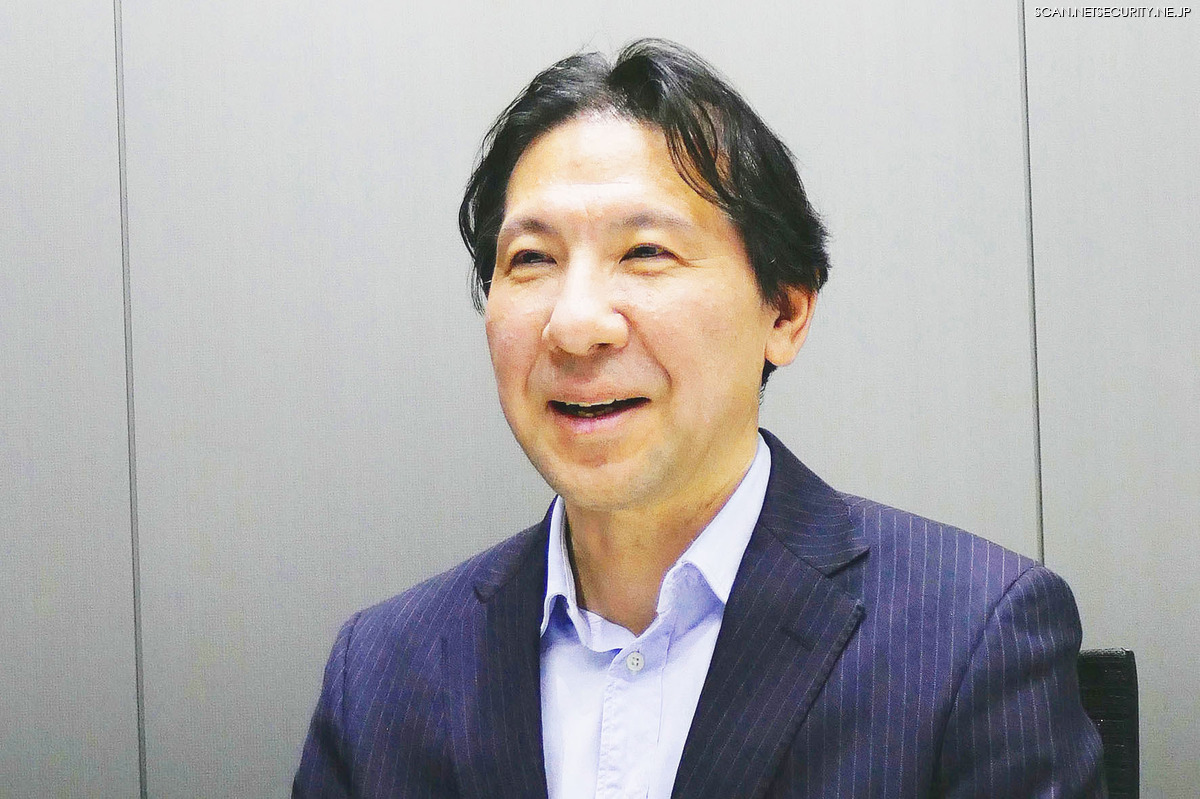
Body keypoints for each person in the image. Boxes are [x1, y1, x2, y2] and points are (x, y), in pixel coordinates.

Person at [293, 39, 1105, 798]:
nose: (575, 324)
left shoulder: (970, 637)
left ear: (785, 309)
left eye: (645, 252)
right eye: (531, 259)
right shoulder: (380, 673)